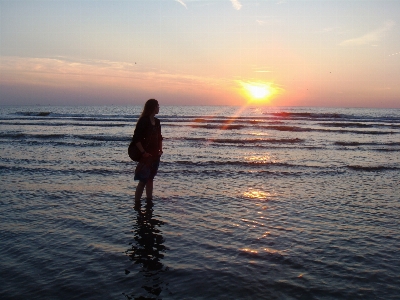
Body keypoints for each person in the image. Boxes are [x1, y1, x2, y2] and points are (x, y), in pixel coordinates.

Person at [132, 99, 163, 203]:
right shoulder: (144, 121)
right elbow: (136, 139)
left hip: (155, 155)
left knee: (150, 179)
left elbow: (159, 137)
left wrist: (160, 150)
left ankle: (149, 201)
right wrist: (143, 153)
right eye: (157, 106)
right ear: (153, 107)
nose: (159, 108)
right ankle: (137, 203)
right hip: (146, 155)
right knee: (142, 180)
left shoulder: (157, 121)